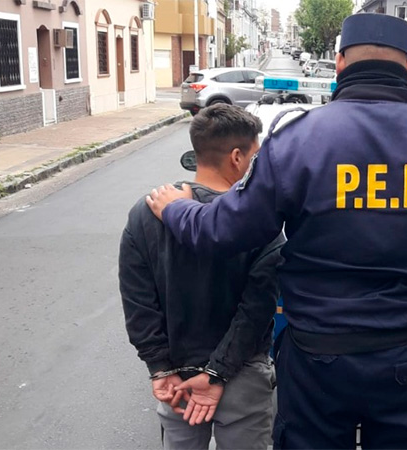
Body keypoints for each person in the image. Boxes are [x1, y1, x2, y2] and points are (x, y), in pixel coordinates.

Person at [145, 13, 407, 449]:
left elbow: (227, 231)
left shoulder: (297, 142)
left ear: (339, 63)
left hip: (319, 359)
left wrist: (178, 210)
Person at [119, 104, 284, 450]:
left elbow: (138, 303)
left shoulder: (145, 214)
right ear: (238, 157)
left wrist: (160, 367)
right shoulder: (259, 222)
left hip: (177, 380)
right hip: (242, 377)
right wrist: (217, 373)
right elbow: (256, 312)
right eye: (257, 156)